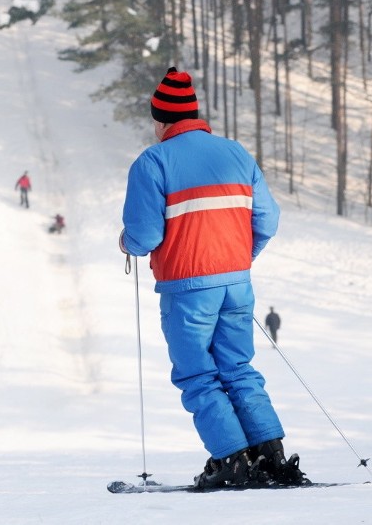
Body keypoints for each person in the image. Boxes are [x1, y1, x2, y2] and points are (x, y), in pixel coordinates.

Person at [120, 67, 307, 489]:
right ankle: (270, 456)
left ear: (161, 119)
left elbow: (145, 234)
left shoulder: (153, 162)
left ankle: (230, 460)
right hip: (237, 283)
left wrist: (126, 243)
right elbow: (269, 219)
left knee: (198, 374)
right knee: (238, 367)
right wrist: (241, 256)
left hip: (187, 289)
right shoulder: (236, 153)